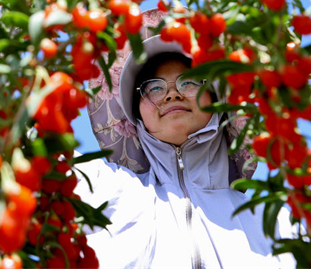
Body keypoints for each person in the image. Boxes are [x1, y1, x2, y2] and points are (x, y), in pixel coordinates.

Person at [77, 35, 297, 268]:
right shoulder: (103, 189)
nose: (172, 94)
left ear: (217, 100)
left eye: (190, 81)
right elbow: (39, 161)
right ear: (136, 115)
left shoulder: (276, 226)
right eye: (154, 87)